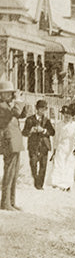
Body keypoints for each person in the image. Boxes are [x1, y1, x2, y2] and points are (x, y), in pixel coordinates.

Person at [0, 79, 28, 210]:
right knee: (9, 173)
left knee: (14, 173)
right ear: (2, 94)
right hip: (8, 141)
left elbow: (21, 115)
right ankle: (5, 203)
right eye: (8, 93)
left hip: (14, 141)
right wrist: (18, 102)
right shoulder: (2, 106)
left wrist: (23, 103)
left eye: (11, 93)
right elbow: (15, 113)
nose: (11, 95)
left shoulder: (8, 105)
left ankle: (11, 202)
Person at [22, 100, 54, 190]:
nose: (43, 110)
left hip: (44, 145)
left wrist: (43, 130)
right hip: (33, 145)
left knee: (43, 166)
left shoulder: (47, 120)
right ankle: (36, 180)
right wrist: (31, 130)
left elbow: (52, 132)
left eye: (45, 109)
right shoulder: (29, 119)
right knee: (33, 164)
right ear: (37, 109)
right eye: (42, 108)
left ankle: (39, 185)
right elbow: (24, 132)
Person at [48, 107, 75, 191]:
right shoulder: (59, 125)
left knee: (69, 165)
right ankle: (57, 183)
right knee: (59, 164)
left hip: (70, 146)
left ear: (72, 117)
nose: (67, 118)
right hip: (61, 146)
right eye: (66, 116)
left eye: (69, 116)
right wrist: (54, 149)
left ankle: (67, 184)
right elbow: (56, 137)